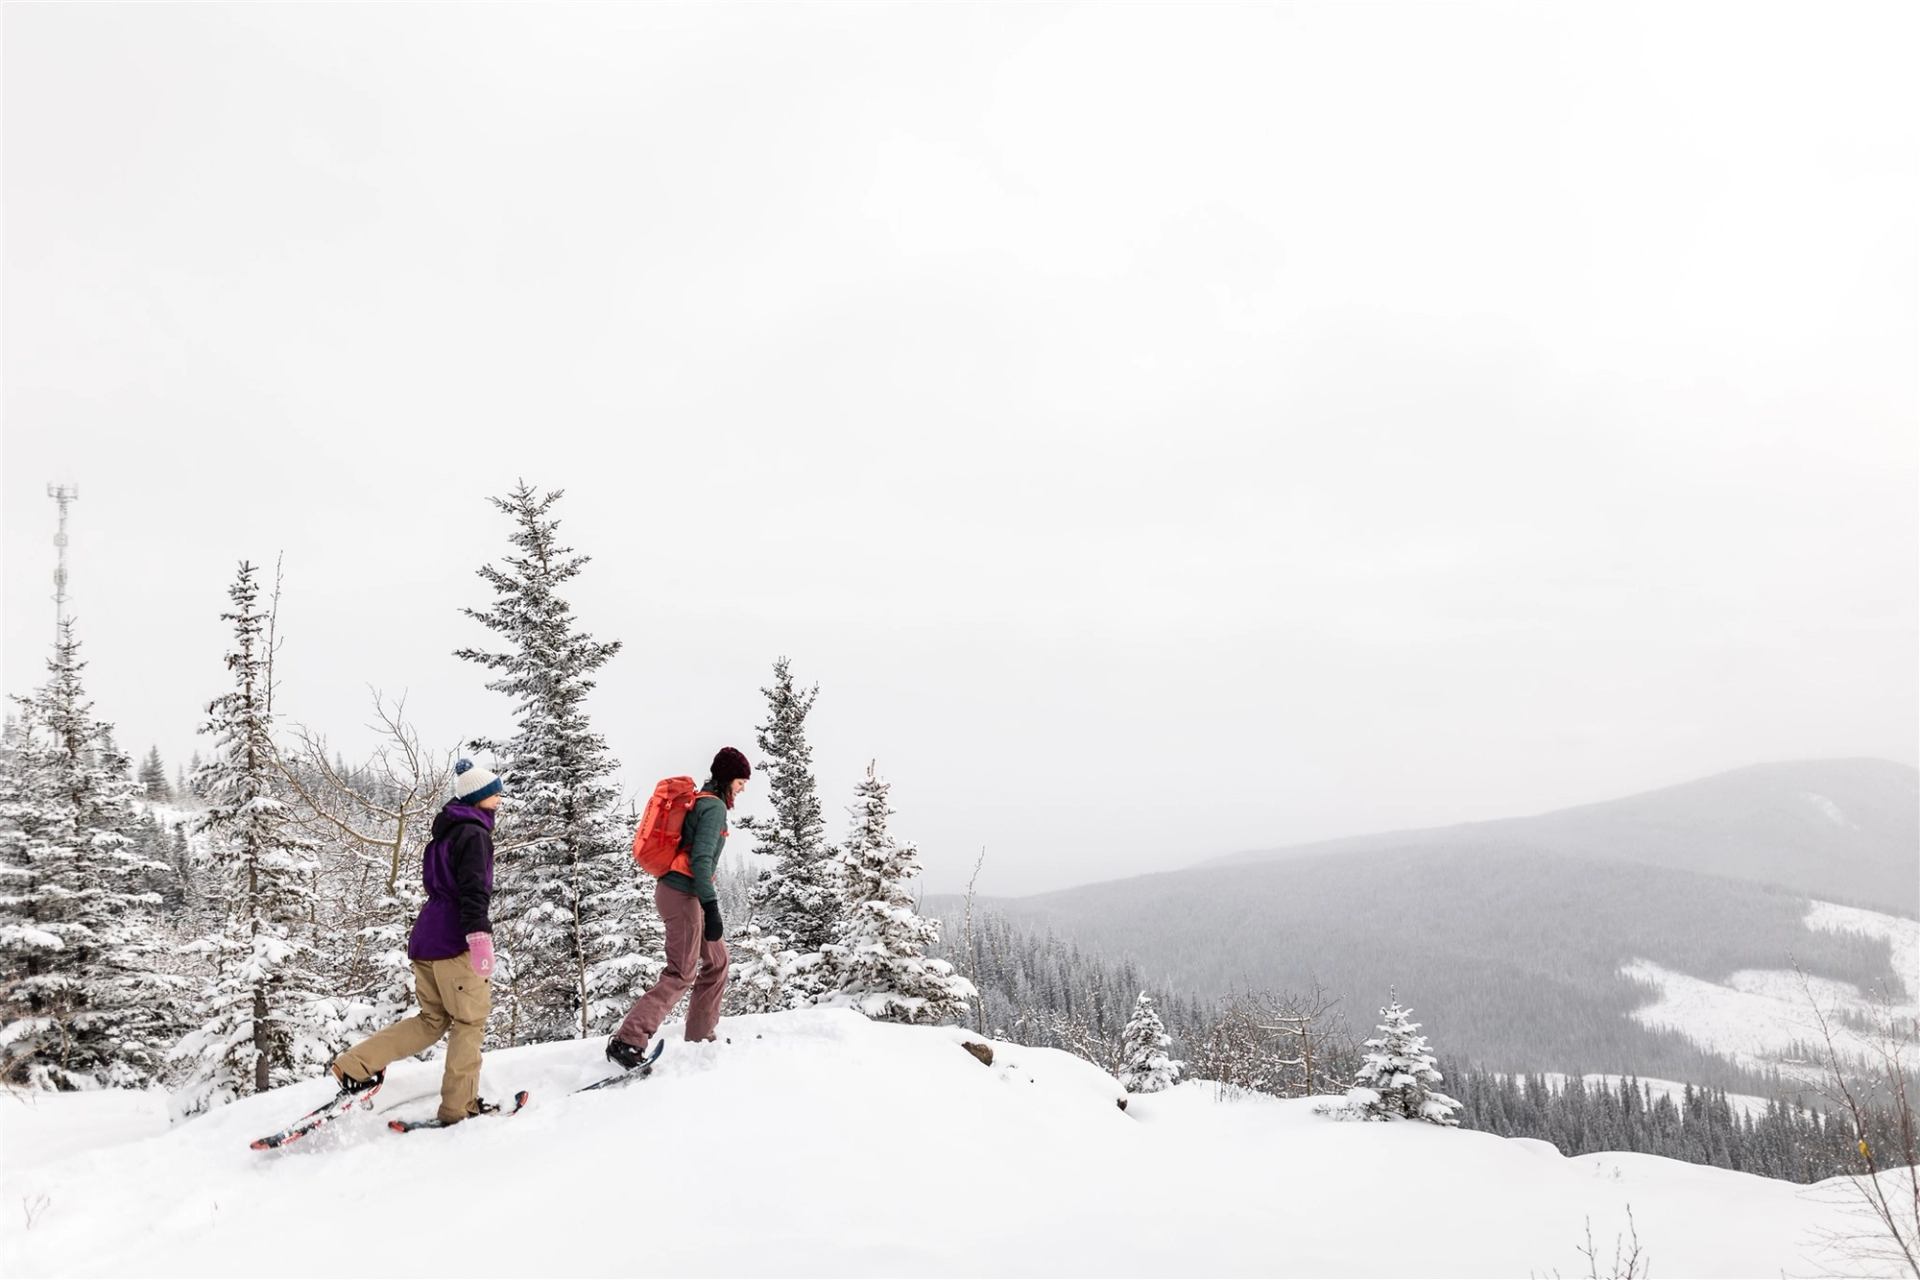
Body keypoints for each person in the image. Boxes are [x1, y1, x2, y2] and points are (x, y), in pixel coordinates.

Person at [329, 759, 502, 1125]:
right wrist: (479, 936)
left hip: (426, 938)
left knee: (431, 1020)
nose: (500, 797)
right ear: (478, 798)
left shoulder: (443, 835)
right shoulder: (474, 834)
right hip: (455, 940)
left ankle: (355, 1065)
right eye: (493, 792)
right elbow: (473, 890)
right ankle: (459, 1108)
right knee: (469, 1023)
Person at [606, 746, 749, 1068]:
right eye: (741, 781)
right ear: (728, 779)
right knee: (680, 972)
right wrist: (711, 908)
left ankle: (700, 1036)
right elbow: (700, 861)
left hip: (685, 893)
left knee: (716, 960)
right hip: (683, 894)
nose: (743, 788)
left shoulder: (701, 802)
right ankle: (628, 1041)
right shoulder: (713, 809)